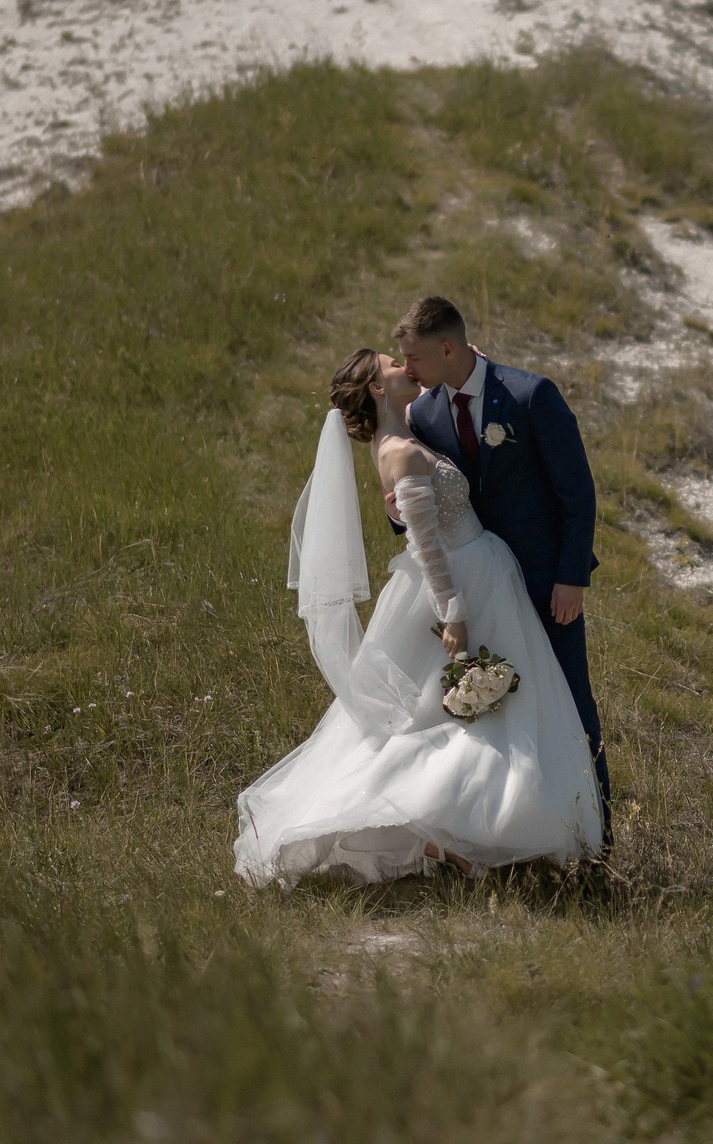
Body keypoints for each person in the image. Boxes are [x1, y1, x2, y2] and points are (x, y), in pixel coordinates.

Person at [233, 347, 603, 884]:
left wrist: (471, 364)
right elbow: (426, 545)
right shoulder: (400, 453)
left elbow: (458, 388)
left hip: (483, 575)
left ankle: (464, 836)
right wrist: (454, 613)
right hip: (458, 586)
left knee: (467, 711)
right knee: (452, 711)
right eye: (391, 363)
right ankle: (456, 828)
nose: (404, 366)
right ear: (378, 388)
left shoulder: (412, 429)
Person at [393, 295, 613, 842]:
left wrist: (572, 577)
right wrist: (395, 514)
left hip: (544, 585)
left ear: (448, 349)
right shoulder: (423, 413)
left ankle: (597, 835)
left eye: (414, 358)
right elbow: (422, 503)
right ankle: (512, 837)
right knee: (497, 712)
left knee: (571, 703)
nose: (406, 369)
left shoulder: (530, 395)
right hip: (482, 590)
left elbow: (577, 494)